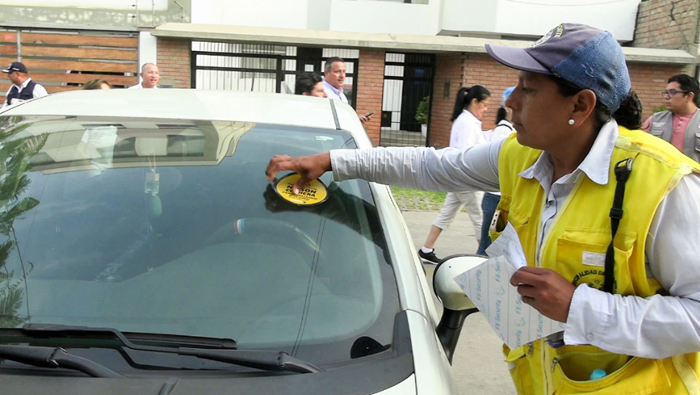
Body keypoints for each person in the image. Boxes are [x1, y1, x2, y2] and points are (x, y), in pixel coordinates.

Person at [266, 23, 700, 394]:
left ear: (581, 105)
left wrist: (577, 307)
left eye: (528, 91)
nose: (510, 103)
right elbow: (434, 166)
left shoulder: (663, 185)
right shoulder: (522, 154)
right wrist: (334, 161)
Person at [417, 86, 490, 264]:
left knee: (447, 213)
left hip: (457, 178)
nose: (486, 109)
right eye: (485, 105)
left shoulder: (466, 120)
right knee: (479, 217)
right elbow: (466, 152)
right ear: (474, 102)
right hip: (466, 178)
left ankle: (427, 249)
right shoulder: (467, 123)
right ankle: (485, 256)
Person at [477, 86, 515, 255]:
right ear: (507, 108)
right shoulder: (503, 131)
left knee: (496, 247)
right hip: (495, 199)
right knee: (487, 246)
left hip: (503, 198)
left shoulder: (510, 130)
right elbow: (502, 164)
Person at [641, 74, 700, 162]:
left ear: (689, 96)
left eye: (672, 92)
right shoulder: (655, 120)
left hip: (693, 175)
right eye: (666, 92)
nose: (666, 96)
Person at [323, 57, 371, 123]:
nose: (342, 76)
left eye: (344, 71)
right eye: (337, 72)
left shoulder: (341, 94)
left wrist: (357, 120)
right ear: (326, 73)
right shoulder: (321, 92)